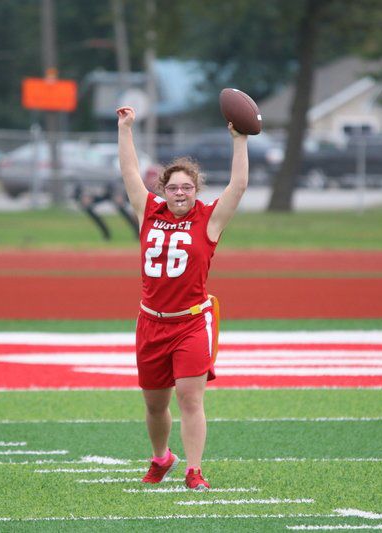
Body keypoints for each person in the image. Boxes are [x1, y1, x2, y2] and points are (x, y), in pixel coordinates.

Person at [116, 105, 249, 490]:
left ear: (196, 190)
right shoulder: (148, 211)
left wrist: (238, 140)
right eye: (172, 187)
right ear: (163, 189)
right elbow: (128, 172)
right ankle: (162, 457)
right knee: (155, 405)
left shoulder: (209, 219)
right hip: (150, 320)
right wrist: (126, 130)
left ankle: (194, 470)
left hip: (191, 321)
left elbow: (237, 186)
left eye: (186, 187)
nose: (179, 193)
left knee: (190, 398)